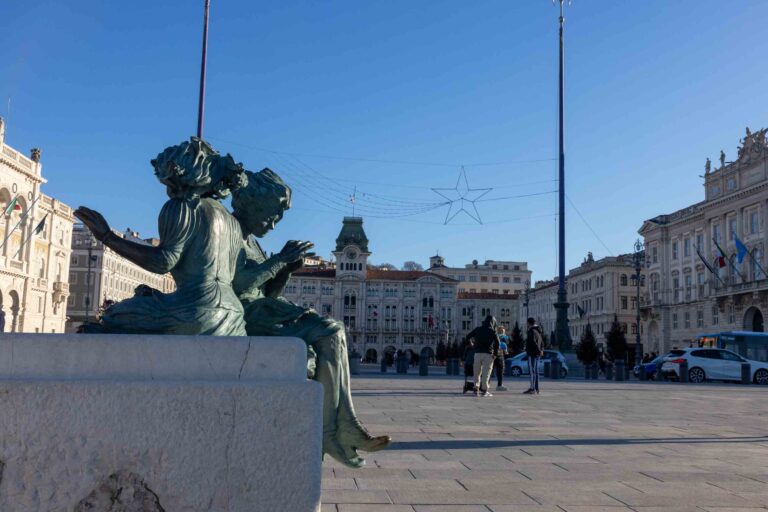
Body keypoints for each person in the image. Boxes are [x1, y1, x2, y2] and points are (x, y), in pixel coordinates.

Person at [231, 168, 389, 469]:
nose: (274, 223)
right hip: (247, 312)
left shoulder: (252, 242)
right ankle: (334, 429)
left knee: (335, 329)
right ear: (253, 205)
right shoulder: (230, 235)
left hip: (263, 306)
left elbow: (269, 289)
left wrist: (286, 270)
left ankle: (342, 423)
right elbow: (239, 286)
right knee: (330, 330)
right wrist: (278, 260)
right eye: (272, 214)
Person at [466, 315, 500, 397]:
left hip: (477, 354)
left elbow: (468, 336)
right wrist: (495, 354)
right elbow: (498, 343)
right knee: (486, 373)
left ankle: (476, 389)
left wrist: (471, 344)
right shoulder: (492, 331)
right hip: (488, 354)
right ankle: (485, 390)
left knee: (476, 372)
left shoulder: (478, 329)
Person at [524, 317, 543, 395]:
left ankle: (532, 389)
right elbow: (542, 342)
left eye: (527, 323)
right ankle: (536, 388)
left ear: (529, 323)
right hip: (537, 354)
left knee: (532, 372)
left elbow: (532, 342)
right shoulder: (538, 330)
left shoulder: (531, 331)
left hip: (532, 354)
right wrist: (541, 350)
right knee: (536, 372)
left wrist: (538, 350)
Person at [494, 326, 509, 391]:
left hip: (496, 355)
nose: (502, 332)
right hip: (498, 355)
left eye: (503, 330)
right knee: (500, 371)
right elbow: (505, 345)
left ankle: (486, 385)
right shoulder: (503, 337)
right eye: (502, 330)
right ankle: (499, 385)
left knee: (498, 371)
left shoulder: (496, 336)